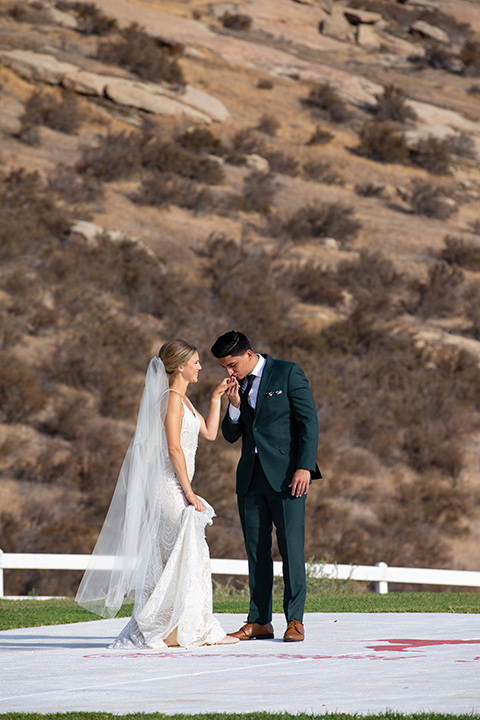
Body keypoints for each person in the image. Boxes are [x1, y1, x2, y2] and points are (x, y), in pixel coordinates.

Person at [76, 340, 239, 648]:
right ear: (180, 367)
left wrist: (218, 398)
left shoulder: (184, 401)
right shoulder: (171, 399)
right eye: (195, 363)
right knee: (189, 553)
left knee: (184, 556)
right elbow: (174, 448)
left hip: (178, 485)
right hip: (169, 487)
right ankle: (180, 628)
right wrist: (189, 492)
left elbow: (210, 433)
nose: (200, 367)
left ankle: (179, 627)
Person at [211, 330, 320, 643]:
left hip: (288, 476)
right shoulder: (238, 385)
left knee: (290, 550)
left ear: (248, 353)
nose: (229, 373)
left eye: (232, 365)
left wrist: (304, 467)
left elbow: (308, 422)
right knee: (256, 553)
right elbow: (231, 435)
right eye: (224, 368)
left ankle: (295, 620)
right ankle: (259, 621)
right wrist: (233, 405)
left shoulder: (287, 372)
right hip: (250, 477)